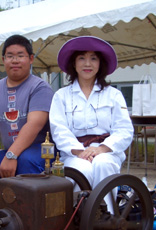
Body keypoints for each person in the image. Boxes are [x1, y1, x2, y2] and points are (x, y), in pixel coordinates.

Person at [0, 34, 54, 216]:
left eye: (20, 55)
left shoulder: (40, 87)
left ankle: (29, 220)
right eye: (10, 56)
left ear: (31, 59)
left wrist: (11, 154)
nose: (15, 60)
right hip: (13, 152)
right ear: (3, 60)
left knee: (25, 160)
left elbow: (34, 124)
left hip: (40, 152)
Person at [49, 36, 133, 194]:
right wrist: (79, 151)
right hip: (74, 153)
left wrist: (102, 148)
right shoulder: (61, 95)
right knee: (81, 170)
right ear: (74, 63)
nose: (87, 64)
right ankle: (78, 216)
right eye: (82, 58)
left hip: (107, 152)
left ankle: (106, 214)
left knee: (103, 164)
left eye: (93, 58)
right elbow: (59, 129)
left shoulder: (113, 94)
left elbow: (124, 129)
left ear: (100, 63)